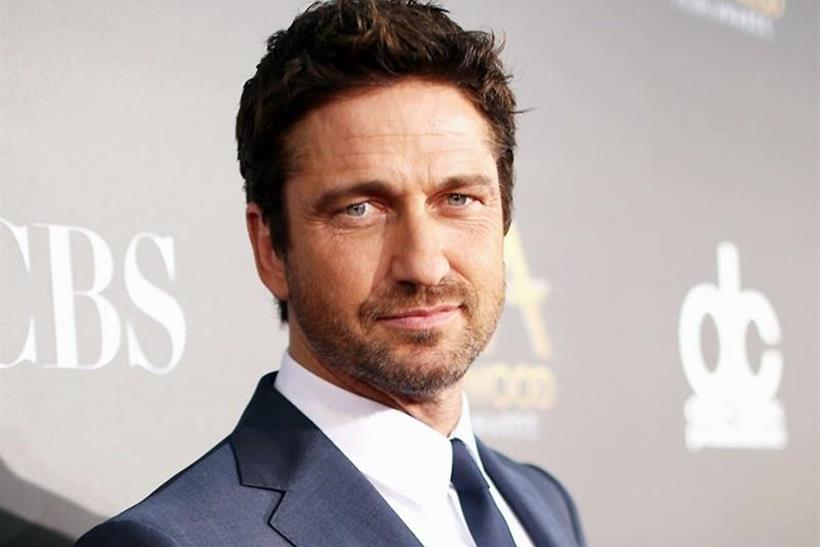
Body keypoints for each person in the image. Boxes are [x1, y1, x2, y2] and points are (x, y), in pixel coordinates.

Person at [75, 1, 585, 545]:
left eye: (458, 198)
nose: (423, 264)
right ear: (271, 248)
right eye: (360, 209)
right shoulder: (171, 540)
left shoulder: (541, 503)